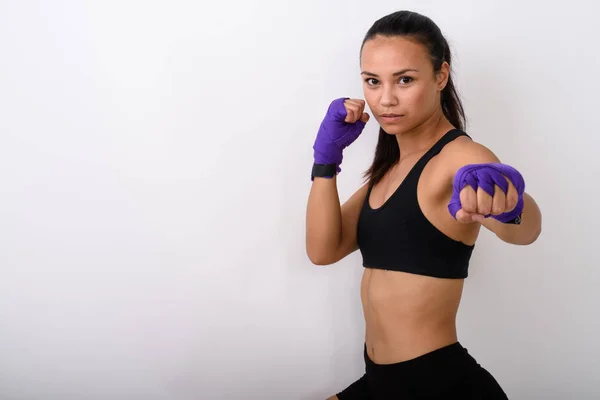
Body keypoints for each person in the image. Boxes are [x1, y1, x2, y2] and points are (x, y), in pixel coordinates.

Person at [305, 10, 542, 400]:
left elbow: (527, 230)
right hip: (382, 383)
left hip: (439, 386)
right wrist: (325, 161)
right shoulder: (389, 169)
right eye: (372, 81)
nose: (385, 99)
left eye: (405, 79)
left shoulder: (459, 157)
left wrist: (509, 203)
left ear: (440, 77)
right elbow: (322, 250)